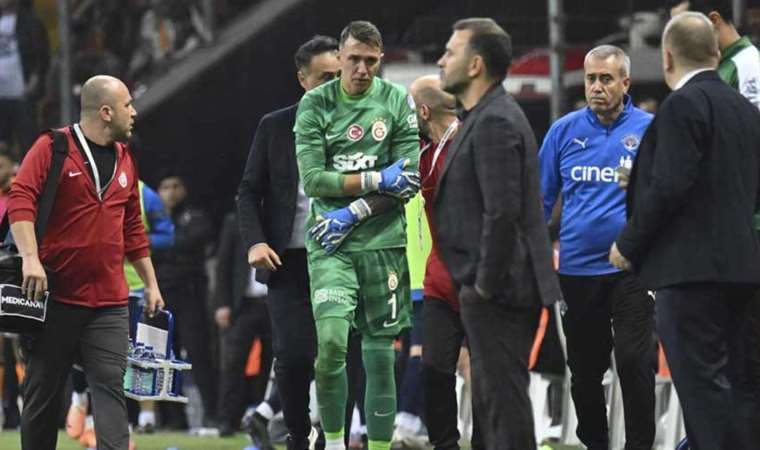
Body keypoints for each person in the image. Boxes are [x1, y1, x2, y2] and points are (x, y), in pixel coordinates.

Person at [610, 12, 760, 449]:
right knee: (742, 388)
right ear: (716, 52)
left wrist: (628, 243)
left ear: (667, 58)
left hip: (690, 274)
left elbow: (671, 184)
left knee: (702, 392)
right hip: (744, 269)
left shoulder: (681, 106)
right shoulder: (746, 112)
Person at [8, 75, 164, 450]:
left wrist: (151, 284)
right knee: (42, 395)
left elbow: (133, 228)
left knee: (110, 388)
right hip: (54, 296)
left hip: (109, 302)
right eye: (128, 105)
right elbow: (20, 200)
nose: (134, 112)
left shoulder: (126, 158)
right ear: (106, 112)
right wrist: (30, 258)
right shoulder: (53, 147)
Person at [434, 18, 561, 450]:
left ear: (475, 65)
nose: (441, 60)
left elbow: (502, 213)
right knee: (490, 409)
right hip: (492, 288)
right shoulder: (483, 116)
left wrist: (483, 286)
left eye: (450, 52)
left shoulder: (495, 121)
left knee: (504, 407)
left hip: (501, 290)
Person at [294, 20, 420, 450]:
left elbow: (407, 179)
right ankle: (333, 443)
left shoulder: (396, 100)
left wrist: (354, 209)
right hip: (331, 243)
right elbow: (314, 179)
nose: (362, 69)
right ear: (340, 58)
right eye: (354, 60)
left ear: (380, 59)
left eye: (370, 60)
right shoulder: (315, 104)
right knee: (331, 343)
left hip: (384, 243)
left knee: (380, 355)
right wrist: (375, 179)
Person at [538, 45, 655, 450]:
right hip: (576, 271)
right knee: (585, 373)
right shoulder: (563, 131)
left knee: (635, 361)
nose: (597, 87)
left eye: (606, 79)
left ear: (625, 83)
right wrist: (535, 257)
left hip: (632, 270)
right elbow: (539, 200)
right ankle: (596, 444)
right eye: (591, 79)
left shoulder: (650, 130)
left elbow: (667, 195)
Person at [237, 34, 341, 450]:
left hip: (342, 257)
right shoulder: (276, 126)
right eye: (324, 77)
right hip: (288, 260)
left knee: (339, 354)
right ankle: (299, 435)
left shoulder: (360, 127)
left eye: (338, 75)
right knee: (294, 356)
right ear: (302, 79)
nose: (334, 85)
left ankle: (332, 437)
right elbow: (248, 192)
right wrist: (255, 242)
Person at [66, 179, 175, 444]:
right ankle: (83, 405)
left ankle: (138, 420)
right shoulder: (83, 183)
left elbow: (168, 235)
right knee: (90, 354)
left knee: (133, 356)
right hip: (90, 285)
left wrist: (133, 241)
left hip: (133, 289)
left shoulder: (145, 194)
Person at [405, 75, 482, 450]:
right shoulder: (421, 152)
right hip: (437, 278)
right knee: (434, 366)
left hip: (478, 277)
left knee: (483, 371)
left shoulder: (470, 144)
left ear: (423, 111)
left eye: (410, 108)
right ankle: (445, 444)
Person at [153, 173, 218, 428]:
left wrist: (160, 243)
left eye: (176, 186)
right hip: (161, 296)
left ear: (184, 190)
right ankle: (173, 418)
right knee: (163, 356)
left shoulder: (195, 216)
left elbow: (197, 237)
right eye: (165, 187)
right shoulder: (152, 219)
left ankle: (212, 414)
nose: (171, 192)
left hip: (191, 294)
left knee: (199, 354)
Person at [214, 210, 272, 437]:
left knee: (274, 364)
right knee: (233, 361)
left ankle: (266, 420)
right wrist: (222, 303)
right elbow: (224, 263)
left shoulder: (283, 217)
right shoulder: (235, 220)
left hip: (274, 301)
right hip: (243, 304)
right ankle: (227, 419)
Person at [669, 0, 760, 110]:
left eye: (683, 30)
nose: (679, 41)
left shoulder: (749, 63)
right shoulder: (708, 68)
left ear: (713, 20)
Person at [0, 0, 49, 155]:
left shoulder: (30, 22)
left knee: (27, 145)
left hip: (22, 94)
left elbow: (42, 54)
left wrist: (35, 79)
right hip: (1, 94)